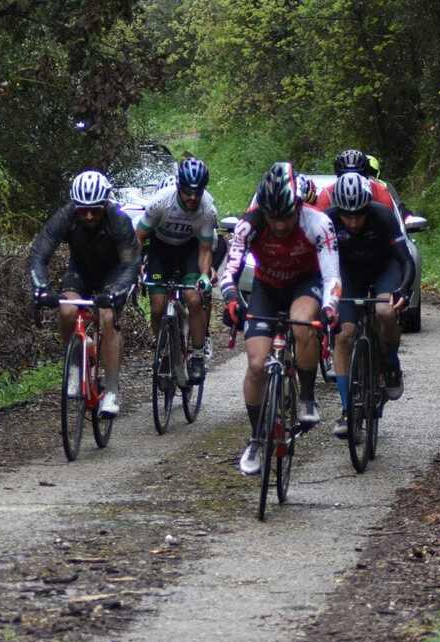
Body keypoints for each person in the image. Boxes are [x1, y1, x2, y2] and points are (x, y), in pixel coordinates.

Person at [220, 162, 341, 475]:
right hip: (267, 287)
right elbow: (229, 270)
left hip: (305, 284)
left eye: (286, 216)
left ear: (298, 206)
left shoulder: (318, 223)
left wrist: (329, 308)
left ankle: (308, 399)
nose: (280, 225)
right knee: (257, 364)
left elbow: (331, 277)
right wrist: (232, 298)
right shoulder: (250, 224)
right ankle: (256, 439)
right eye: (273, 217)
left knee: (302, 324)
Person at [29, 170, 141, 417]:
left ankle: (111, 390)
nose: (89, 215)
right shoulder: (66, 215)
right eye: (83, 210)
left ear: (105, 205)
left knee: (107, 318)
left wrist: (117, 292)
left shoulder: (118, 218)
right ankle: (75, 366)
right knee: (67, 310)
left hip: (114, 274)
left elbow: (131, 264)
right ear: (75, 206)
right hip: (80, 271)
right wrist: (40, 287)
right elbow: (39, 254)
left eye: (95, 210)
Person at [323, 172, 415, 437]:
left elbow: (405, 259)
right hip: (348, 274)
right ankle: (346, 409)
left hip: (383, 269)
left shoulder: (382, 216)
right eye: (347, 216)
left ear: (368, 208)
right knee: (343, 335)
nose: (352, 222)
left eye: (359, 215)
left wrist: (403, 290)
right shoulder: (328, 220)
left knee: (384, 311)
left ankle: (390, 362)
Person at [136, 158, 217, 383]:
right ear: (179, 187)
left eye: (197, 192)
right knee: (158, 306)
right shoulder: (160, 202)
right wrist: (133, 268)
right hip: (161, 252)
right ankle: (163, 352)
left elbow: (205, 248)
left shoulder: (208, 208)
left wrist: (203, 274)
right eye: (187, 192)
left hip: (189, 252)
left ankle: (197, 355)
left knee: (193, 298)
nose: (192, 198)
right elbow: (139, 238)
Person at [315, 149, 395, 211]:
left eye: (358, 176)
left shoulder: (380, 192)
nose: (352, 181)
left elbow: (390, 222)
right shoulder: (327, 195)